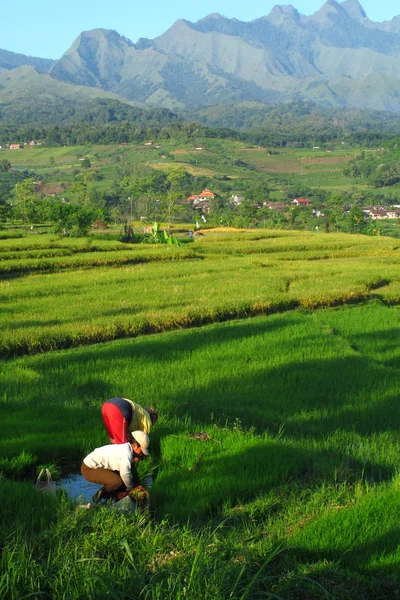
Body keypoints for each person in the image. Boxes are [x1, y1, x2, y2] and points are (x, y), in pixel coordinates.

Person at [81, 430, 150, 503]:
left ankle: (112, 497)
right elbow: (125, 474)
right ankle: (96, 499)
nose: (141, 454)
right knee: (116, 482)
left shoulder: (125, 447)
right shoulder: (126, 453)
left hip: (96, 466)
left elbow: (123, 466)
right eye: (141, 451)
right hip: (88, 469)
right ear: (135, 445)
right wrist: (131, 488)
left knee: (122, 481)